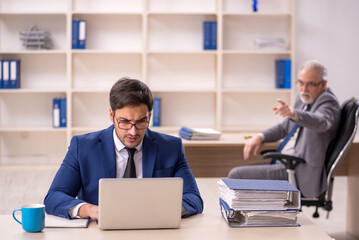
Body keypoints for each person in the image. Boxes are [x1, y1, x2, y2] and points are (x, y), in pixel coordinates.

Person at [44, 77, 203, 220]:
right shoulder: (83, 147)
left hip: (154, 229)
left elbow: (193, 198)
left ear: (149, 116)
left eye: (141, 121)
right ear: (111, 115)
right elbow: (54, 197)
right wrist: (90, 210)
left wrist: (163, 211)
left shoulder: (171, 147)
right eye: (124, 122)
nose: (133, 132)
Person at [228, 60, 340, 198]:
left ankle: (244, 216)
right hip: (285, 163)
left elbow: (322, 122)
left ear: (323, 84)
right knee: (241, 166)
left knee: (236, 175)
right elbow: (283, 128)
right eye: (301, 83)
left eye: (310, 84)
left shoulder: (328, 102)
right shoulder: (303, 99)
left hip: (298, 170)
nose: (304, 89)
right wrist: (260, 137)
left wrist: (294, 114)